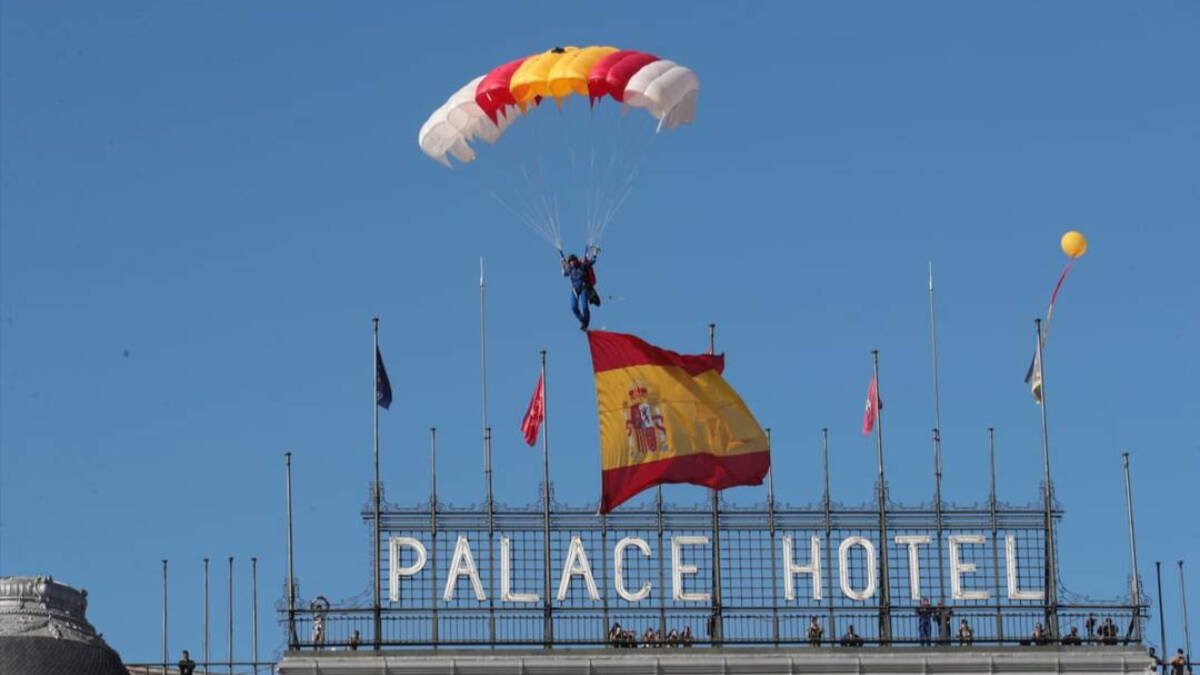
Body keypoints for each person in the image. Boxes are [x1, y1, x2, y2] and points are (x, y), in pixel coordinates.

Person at [561, 247, 600, 331]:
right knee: (574, 308)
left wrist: (595, 254)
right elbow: (564, 274)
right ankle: (583, 321)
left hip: (583, 289)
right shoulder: (570, 269)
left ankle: (586, 322)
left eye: (573, 260)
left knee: (585, 307)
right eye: (570, 261)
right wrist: (562, 265)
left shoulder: (582, 266)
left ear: (576, 260)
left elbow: (592, 262)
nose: (572, 263)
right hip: (575, 290)